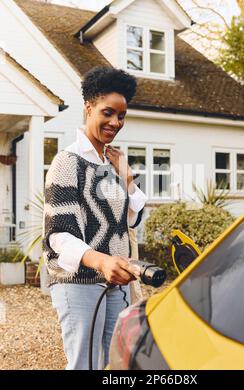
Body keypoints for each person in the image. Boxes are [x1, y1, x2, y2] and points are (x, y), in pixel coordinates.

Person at [42, 67, 147, 370]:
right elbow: (58, 235)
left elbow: (131, 218)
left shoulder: (111, 163)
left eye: (122, 116)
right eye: (108, 112)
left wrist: (126, 176)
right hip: (80, 283)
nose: (115, 122)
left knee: (113, 363)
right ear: (88, 108)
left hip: (117, 284)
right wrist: (101, 261)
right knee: (85, 365)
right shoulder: (67, 161)